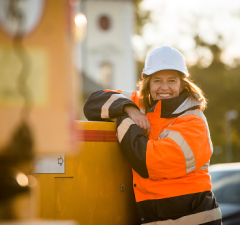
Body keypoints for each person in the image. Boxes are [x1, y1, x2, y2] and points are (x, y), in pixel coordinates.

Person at [84, 46, 222, 225]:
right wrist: (130, 109)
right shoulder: (141, 104)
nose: (164, 88)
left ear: (182, 83)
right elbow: (92, 103)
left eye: (171, 80)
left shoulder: (194, 122)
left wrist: (123, 119)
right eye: (157, 80)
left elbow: (147, 161)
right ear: (147, 82)